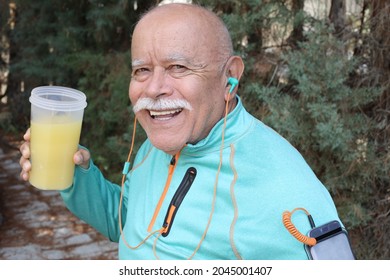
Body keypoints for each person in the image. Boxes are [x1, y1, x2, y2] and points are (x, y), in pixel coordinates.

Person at [19, 3, 344, 260]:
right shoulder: (156, 144)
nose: (155, 88)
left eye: (178, 67)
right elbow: (129, 224)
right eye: (142, 70)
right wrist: (76, 175)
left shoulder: (286, 190)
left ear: (229, 75)